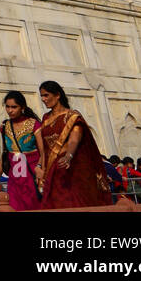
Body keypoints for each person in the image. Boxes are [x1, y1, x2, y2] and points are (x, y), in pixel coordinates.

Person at [37, 80, 114, 208]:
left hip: (70, 168)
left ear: (57, 95)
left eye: (46, 95)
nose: (43, 99)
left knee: (73, 202)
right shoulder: (46, 118)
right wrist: (41, 167)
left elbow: (74, 139)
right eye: (41, 96)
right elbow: (45, 149)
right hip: (52, 170)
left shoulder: (72, 116)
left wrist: (69, 156)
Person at [0, 90, 43, 211]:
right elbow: (5, 153)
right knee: (15, 206)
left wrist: (39, 167)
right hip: (15, 174)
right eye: (7, 106)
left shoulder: (34, 124)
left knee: (34, 205)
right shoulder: (4, 126)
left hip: (32, 172)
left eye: (14, 107)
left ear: (22, 107)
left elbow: (44, 152)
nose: (10, 110)